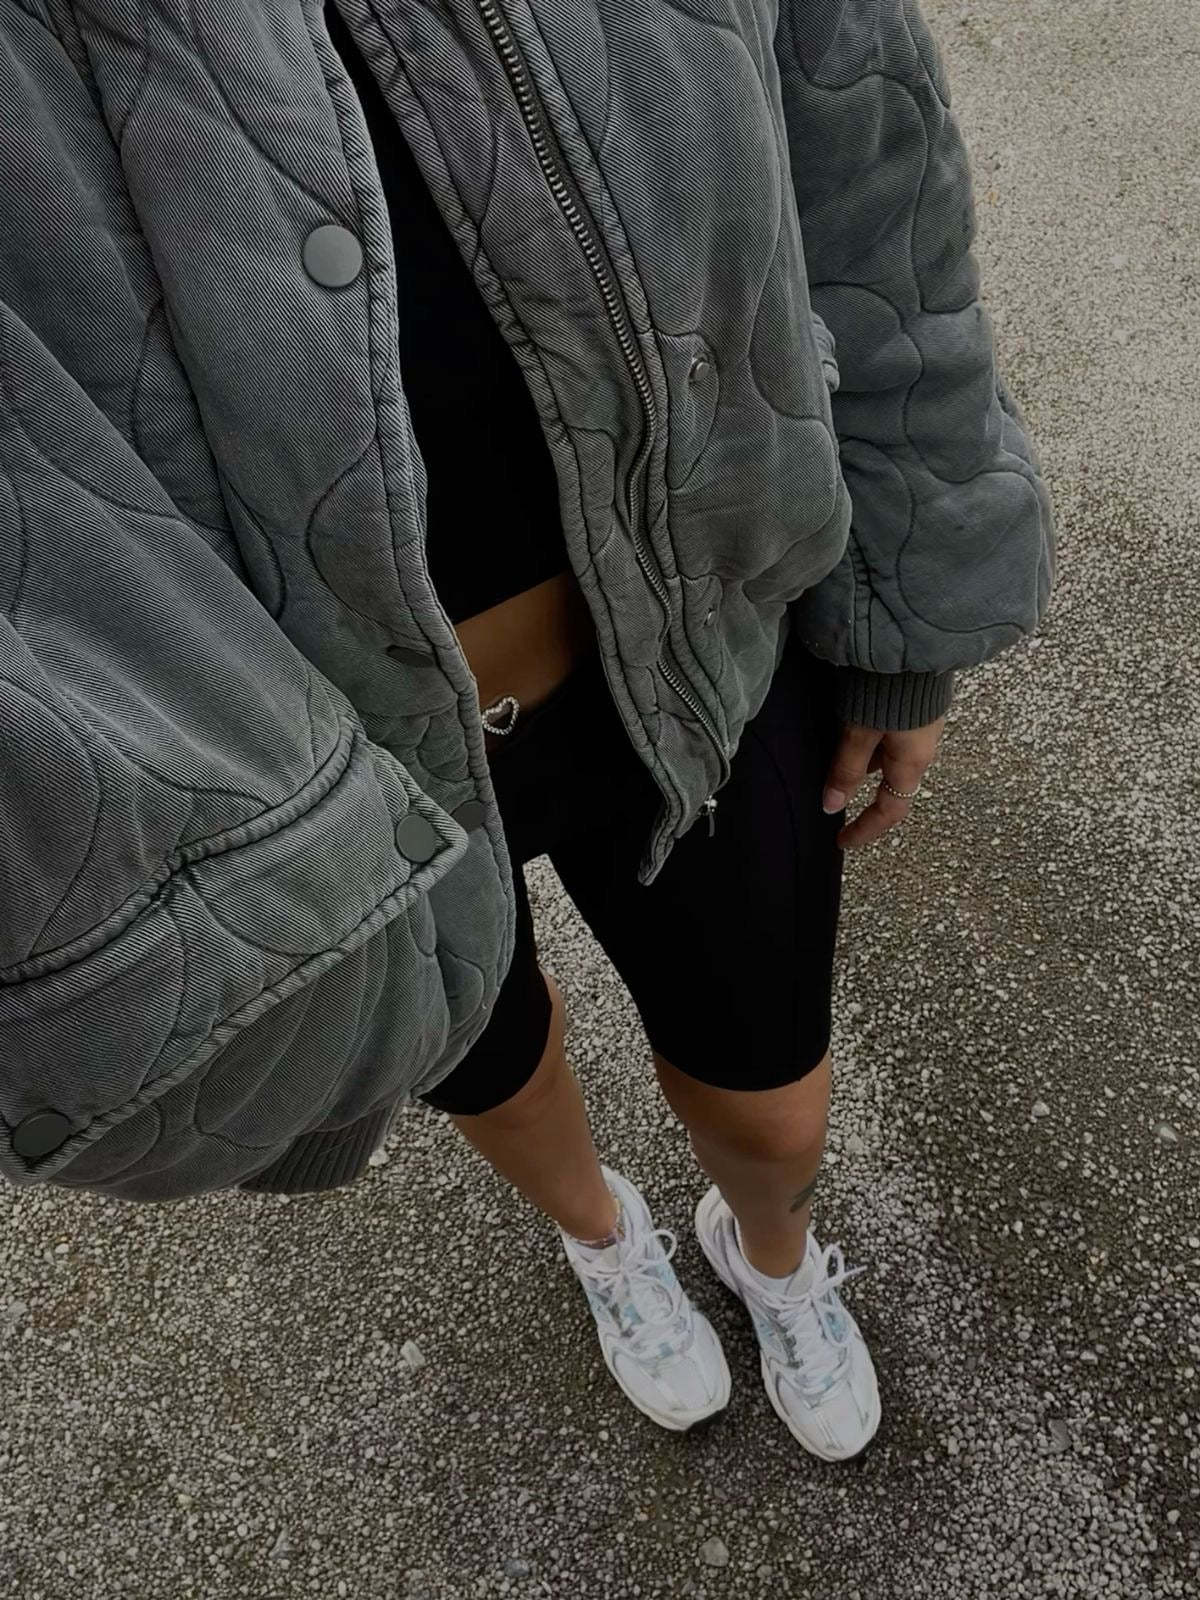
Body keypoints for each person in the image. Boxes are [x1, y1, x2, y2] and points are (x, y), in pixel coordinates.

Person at [0, 0, 1051, 1460]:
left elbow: (869, 150)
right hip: (341, 769)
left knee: (778, 1108)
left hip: (699, 646)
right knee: (496, 1065)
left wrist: (910, 601)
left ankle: (773, 1254)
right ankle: (604, 1237)